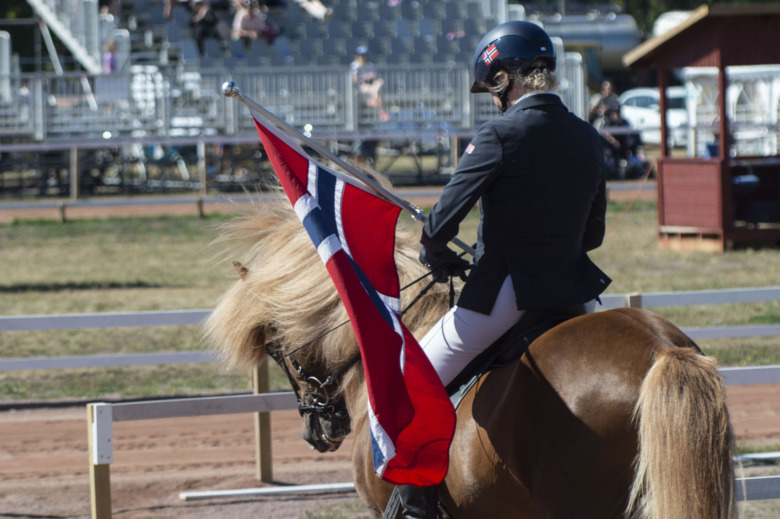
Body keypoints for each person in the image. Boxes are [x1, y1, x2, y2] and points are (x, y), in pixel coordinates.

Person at [403, 21, 612, 518]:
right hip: (572, 294)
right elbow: (593, 235)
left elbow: (438, 225)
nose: (492, 98)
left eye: (493, 85)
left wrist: (439, 255)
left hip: (506, 294)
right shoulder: (587, 136)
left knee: (412, 379)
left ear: (504, 80)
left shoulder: (499, 133)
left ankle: (416, 508)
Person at [349, 46, 389, 166]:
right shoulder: (355, 65)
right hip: (360, 88)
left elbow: (375, 77)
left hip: (371, 88)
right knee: (360, 144)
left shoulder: (370, 65)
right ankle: (373, 102)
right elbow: (355, 80)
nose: (363, 57)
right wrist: (367, 77)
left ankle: (381, 109)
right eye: (361, 55)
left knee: (380, 84)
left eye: (365, 55)